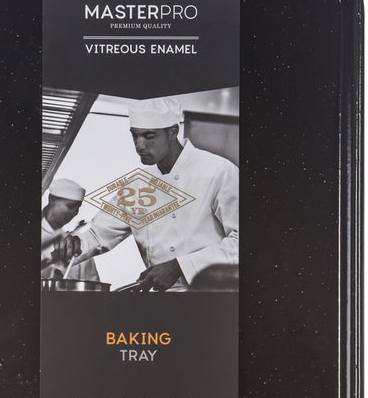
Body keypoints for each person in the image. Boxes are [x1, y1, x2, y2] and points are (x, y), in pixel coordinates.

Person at [58, 97, 238, 291]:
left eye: (149, 136)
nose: (139, 145)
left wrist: (180, 266)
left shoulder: (218, 171)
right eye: (135, 136)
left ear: (173, 132)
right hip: (160, 298)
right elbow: (98, 234)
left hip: (209, 296)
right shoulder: (137, 185)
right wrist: (75, 244)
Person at [41, 178, 99, 281]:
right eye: (71, 206)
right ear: (51, 200)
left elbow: (92, 285)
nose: (75, 213)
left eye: (78, 207)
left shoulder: (75, 243)